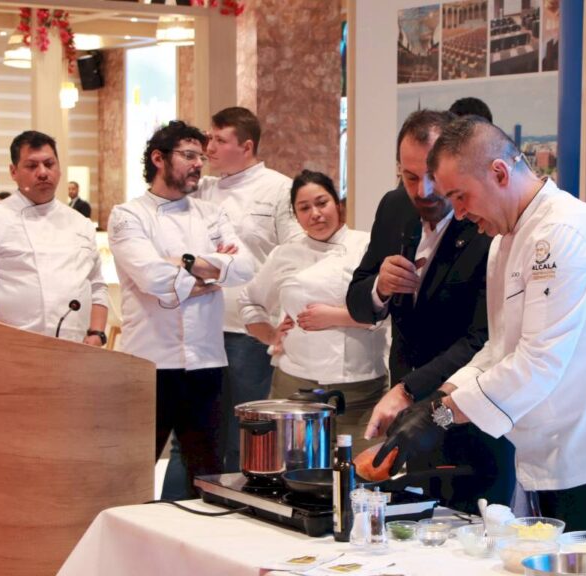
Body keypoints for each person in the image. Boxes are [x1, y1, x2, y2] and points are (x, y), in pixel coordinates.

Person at [377, 116, 586, 530]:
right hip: (559, 453)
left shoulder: (563, 234)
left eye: (461, 197)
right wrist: (435, 400)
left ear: (499, 173)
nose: (459, 213)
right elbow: (499, 348)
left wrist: (440, 416)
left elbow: (537, 364)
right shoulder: (505, 240)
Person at [346, 110, 515, 514]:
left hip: (469, 420)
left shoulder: (484, 222)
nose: (421, 190)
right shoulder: (394, 207)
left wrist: (410, 391)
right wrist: (380, 287)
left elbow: (483, 338)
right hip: (405, 421)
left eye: (431, 177)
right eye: (408, 177)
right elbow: (357, 300)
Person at [108, 120, 255, 500]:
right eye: (188, 155)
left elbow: (243, 266)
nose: (198, 165)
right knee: (133, 473)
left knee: (208, 476)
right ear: (159, 159)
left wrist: (185, 261)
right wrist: (209, 272)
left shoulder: (211, 214)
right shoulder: (128, 215)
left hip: (207, 361)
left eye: (200, 157)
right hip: (150, 362)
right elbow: (151, 275)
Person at [240, 170, 387, 454]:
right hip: (296, 386)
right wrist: (270, 335)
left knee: (363, 470)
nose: (315, 214)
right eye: (304, 208)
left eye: (322, 203)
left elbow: (390, 309)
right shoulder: (285, 253)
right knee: (293, 470)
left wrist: (334, 316)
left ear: (338, 204)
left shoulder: (368, 246)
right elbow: (249, 301)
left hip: (361, 389)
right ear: (295, 216)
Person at [195, 106, 303, 471]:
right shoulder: (203, 189)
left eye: (219, 140)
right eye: (209, 138)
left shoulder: (278, 188)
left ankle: (243, 496)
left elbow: (294, 254)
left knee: (248, 431)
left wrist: (284, 319)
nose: (209, 147)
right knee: (202, 431)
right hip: (203, 326)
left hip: (250, 330)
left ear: (246, 146)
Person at [0, 130, 108, 345]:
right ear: (13, 171)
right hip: (11, 346)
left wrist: (97, 333)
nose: (43, 172)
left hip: (76, 347)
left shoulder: (80, 223)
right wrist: (1, 336)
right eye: (32, 166)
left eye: (49, 164)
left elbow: (97, 285)